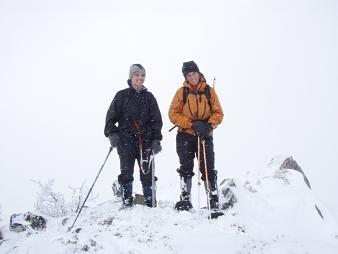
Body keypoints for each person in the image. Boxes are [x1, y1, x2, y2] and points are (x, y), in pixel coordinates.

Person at [104, 64, 163, 207]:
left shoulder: (149, 97)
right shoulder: (122, 95)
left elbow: (156, 120)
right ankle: (127, 201)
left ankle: (150, 202)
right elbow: (111, 117)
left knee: (147, 172)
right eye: (137, 75)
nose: (140, 78)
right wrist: (112, 134)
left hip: (146, 141)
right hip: (125, 140)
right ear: (131, 77)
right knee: (126, 172)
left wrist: (156, 139)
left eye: (142, 75)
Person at [168, 61, 224, 211]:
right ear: (185, 77)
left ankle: (213, 199)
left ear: (199, 73)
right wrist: (191, 124)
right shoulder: (181, 92)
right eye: (189, 74)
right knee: (186, 167)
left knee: (208, 168)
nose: (192, 76)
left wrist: (209, 124)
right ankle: (185, 198)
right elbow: (173, 114)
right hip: (185, 135)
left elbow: (218, 112)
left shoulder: (209, 91)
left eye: (194, 73)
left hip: (205, 134)